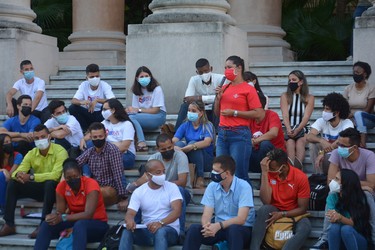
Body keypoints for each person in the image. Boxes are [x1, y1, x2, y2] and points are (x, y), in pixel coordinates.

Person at [311, 128, 375, 249]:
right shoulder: (336, 153)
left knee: (368, 194)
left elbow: (371, 184)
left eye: (343, 145)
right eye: (338, 144)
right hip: (343, 190)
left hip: (360, 194)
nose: (338, 147)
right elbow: (330, 180)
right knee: (331, 192)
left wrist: (352, 185)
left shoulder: (369, 156)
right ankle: (324, 238)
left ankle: (373, 238)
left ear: (355, 148)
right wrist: (349, 185)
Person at [0, 124, 68, 239]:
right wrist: (20, 175)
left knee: (50, 183)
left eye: (43, 137)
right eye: (36, 138)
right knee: (13, 183)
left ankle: (43, 225)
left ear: (49, 137)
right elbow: (18, 171)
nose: (40, 140)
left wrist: (31, 177)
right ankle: (9, 224)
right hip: (38, 188)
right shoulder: (32, 153)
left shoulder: (60, 151)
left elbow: (56, 175)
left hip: (54, 190)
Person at [34, 158, 109, 250]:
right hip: (75, 223)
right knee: (46, 224)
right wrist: (53, 217)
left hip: (97, 224)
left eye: (75, 176)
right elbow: (60, 212)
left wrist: (63, 217)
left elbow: (88, 214)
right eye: (68, 178)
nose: (72, 179)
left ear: (80, 174)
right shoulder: (61, 186)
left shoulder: (91, 184)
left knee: (80, 225)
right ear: (64, 177)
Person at [183, 155, 255, 250]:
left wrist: (219, 225)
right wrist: (207, 226)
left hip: (240, 230)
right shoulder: (212, 186)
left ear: (227, 173)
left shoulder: (244, 186)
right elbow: (206, 215)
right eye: (213, 170)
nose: (213, 173)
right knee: (194, 229)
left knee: (234, 230)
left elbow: (241, 219)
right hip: (218, 228)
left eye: (216, 171)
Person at [128, 133, 191, 235]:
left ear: (173, 145)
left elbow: (182, 182)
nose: (167, 150)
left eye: (169, 147)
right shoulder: (153, 158)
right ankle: (136, 227)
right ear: (158, 149)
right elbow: (146, 178)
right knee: (139, 193)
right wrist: (134, 186)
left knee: (178, 189)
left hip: (182, 192)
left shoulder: (181, 156)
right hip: (159, 191)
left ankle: (181, 231)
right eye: (163, 149)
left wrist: (162, 183)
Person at [214, 55, 263, 183]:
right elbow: (216, 113)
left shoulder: (248, 88)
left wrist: (235, 113)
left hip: (239, 134)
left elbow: (258, 113)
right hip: (223, 133)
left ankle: (245, 202)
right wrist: (218, 99)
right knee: (221, 171)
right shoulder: (224, 88)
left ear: (239, 68)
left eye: (229, 67)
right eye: (225, 68)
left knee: (239, 173)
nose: (226, 70)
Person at [250, 149, 311, 250]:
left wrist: (283, 214)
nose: (270, 171)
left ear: (283, 167)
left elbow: (302, 209)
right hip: (274, 209)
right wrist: (264, 173)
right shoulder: (267, 172)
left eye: (272, 169)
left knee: (306, 227)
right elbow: (266, 201)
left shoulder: (300, 177)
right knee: (263, 210)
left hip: (294, 212)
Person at [119, 159, 182, 250]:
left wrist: (160, 223)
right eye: (158, 172)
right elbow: (130, 213)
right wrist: (129, 221)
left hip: (169, 229)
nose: (162, 175)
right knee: (127, 231)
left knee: (160, 232)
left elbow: (177, 211)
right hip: (147, 230)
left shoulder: (172, 187)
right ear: (148, 175)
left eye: (163, 171)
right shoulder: (139, 191)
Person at [76, 122, 128, 209]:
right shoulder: (90, 151)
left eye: (100, 136)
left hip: (111, 189)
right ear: (91, 137)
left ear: (105, 135)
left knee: (100, 192)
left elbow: (118, 174)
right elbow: (76, 163)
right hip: (95, 188)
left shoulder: (112, 150)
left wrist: (123, 197)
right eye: (95, 137)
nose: (98, 139)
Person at [80, 99, 136, 169]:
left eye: (104, 109)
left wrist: (105, 153)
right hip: (107, 153)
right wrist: (83, 139)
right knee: (89, 145)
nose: (102, 112)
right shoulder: (105, 123)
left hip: (126, 156)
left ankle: (87, 175)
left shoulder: (127, 124)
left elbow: (123, 147)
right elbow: (91, 135)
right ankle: (86, 175)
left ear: (113, 110)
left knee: (95, 157)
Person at [307, 92, 353, 174]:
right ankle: (319, 176)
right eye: (324, 108)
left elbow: (343, 141)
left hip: (340, 158)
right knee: (313, 144)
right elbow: (309, 136)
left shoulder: (347, 123)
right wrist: (321, 140)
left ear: (336, 112)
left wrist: (323, 152)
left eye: (327, 109)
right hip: (325, 157)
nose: (324, 111)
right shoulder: (321, 121)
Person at [173, 100, 215, 188]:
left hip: (205, 160)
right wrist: (176, 147)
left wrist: (191, 146)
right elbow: (174, 140)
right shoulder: (185, 125)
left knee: (193, 144)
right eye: (189, 110)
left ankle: (200, 177)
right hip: (190, 156)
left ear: (201, 113)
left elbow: (207, 142)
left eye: (193, 111)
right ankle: (177, 174)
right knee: (179, 144)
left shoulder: (207, 125)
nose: (190, 113)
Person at [327, 169, 372, 250]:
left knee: (346, 229)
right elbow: (332, 218)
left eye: (337, 179)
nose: (332, 181)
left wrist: (340, 217)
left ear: (345, 183)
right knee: (334, 227)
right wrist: (333, 217)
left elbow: (354, 224)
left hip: (358, 237)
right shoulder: (332, 197)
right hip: (340, 239)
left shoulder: (360, 198)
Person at [175, 58, 225, 130]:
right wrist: (211, 98)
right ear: (197, 72)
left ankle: (217, 132)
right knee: (185, 106)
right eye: (201, 72)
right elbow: (187, 99)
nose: (204, 74)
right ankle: (177, 132)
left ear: (211, 68)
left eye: (206, 71)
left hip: (216, 111)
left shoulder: (220, 78)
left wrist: (199, 98)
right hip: (201, 111)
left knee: (218, 102)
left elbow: (224, 97)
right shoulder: (194, 80)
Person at [126, 66, 166, 152]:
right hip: (143, 117)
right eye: (142, 77)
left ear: (150, 76)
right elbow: (134, 110)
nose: (145, 78)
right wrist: (130, 110)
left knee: (131, 117)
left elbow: (156, 110)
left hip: (158, 116)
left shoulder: (157, 89)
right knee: (128, 116)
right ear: (137, 78)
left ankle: (142, 142)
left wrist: (139, 110)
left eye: (147, 76)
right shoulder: (136, 91)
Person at [280, 70, 314, 170]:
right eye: (289, 80)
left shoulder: (309, 97)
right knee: (290, 142)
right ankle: (291, 169)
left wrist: (298, 129)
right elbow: (285, 115)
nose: (291, 82)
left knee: (300, 142)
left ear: (301, 82)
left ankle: (298, 169)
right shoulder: (285, 96)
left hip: (302, 127)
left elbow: (306, 117)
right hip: (287, 126)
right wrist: (289, 129)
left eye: (294, 80)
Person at [69, 63, 115, 132]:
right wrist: (82, 102)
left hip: (101, 113)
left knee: (108, 108)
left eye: (97, 76)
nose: (95, 79)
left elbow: (113, 100)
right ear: (86, 78)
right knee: (72, 107)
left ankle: (103, 128)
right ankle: (86, 130)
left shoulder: (104, 85)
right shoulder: (83, 85)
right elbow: (73, 100)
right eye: (92, 77)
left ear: (100, 75)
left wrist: (97, 100)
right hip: (89, 112)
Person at [344, 61, 375, 147]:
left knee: (358, 114)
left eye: (357, 72)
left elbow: (368, 110)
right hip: (352, 119)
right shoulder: (348, 88)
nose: (355, 74)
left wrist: (353, 115)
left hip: (368, 119)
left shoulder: (371, 88)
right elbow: (344, 108)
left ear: (365, 74)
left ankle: (362, 142)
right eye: (354, 72)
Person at [0, 134, 23, 215]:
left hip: (12, 183)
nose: (9, 144)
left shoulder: (18, 155)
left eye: (10, 141)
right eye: (6, 142)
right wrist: (3, 170)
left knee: (1, 176)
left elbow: (9, 176)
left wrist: (4, 172)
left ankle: (3, 207)